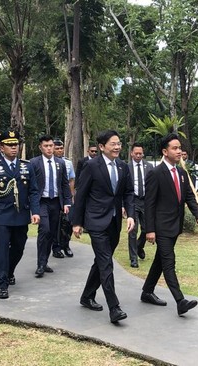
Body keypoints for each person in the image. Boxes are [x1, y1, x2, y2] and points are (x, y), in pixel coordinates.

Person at [72, 130, 135, 323]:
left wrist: (131, 214)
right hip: (96, 221)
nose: (117, 147)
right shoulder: (91, 166)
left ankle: (87, 295)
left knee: (101, 261)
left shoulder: (123, 166)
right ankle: (114, 308)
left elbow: (129, 193)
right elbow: (80, 195)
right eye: (113, 144)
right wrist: (77, 222)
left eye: (119, 143)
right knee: (106, 262)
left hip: (115, 222)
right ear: (101, 147)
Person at [141, 133, 198, 317]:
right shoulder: (155, 173)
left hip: (175, 226)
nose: (179, 151)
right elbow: (149, 204)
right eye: (175, 148)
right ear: (165, 151)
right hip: (161, 227)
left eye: (180, 148)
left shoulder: (182, 173)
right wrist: (150, 229)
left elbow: (189, 197)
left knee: (160, 261)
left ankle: (147, 291)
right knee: (169, 262)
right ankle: (180, 301)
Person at [0, 131, 40, 299]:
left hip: (21, 213)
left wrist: (35, 212)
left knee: (19, 247)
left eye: (16, 145)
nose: (14, 148)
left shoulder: (27, 166)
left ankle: (10, 270)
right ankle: (2, 282)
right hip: (1, 214)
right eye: (10, 145)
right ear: (2, 147)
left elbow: (34, 191)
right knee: (2, 249)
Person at [30, 135, 71, 278]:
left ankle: (45, 261)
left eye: (51, 145)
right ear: (40, 147)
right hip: (42, 202)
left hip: (56, 202)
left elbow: (65, 184)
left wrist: (67, 202)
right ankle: (40, 264)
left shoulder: (60, 163)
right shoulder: (34, 163)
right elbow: (30, 186)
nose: (49, 148)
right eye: (46, 146)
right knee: (45, 230)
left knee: (53, 233)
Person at [127, 142, 152, 268]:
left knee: (147, 228)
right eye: (136, 153)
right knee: (133, 230)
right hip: (133, 201)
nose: (138, 155)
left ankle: (139, 246)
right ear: (131, 153)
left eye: (140, 153)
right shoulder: (127, 167)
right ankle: (133, 258)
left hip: (146, 201)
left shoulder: (149, 167)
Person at [52, 139, 75, 258]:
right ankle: (56, 247)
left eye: (61, 148)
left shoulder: (67, 162)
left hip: (66, 197)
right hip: (55, 197)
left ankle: (66, 244)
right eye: (57, 148)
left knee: (68, 223)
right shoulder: (49, 162)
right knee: (56, 224)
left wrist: (71, 197)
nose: (60, 150)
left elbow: (71, 180)